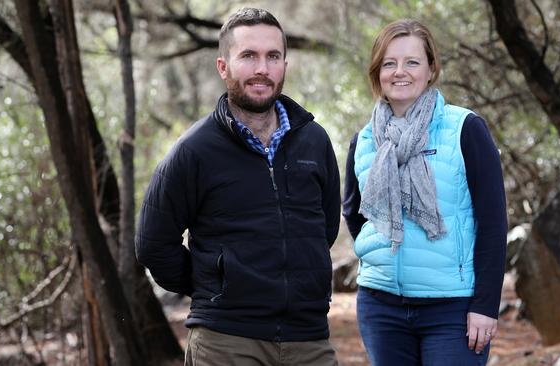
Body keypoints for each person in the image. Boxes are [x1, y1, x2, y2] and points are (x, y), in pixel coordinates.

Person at [135, 8, 340, 366]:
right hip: (225, 341)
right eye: (248, 56)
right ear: (223, 66)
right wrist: (216, 283)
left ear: (284, 66)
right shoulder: (194, 150)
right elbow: (153, 243)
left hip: (308, 340)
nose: (262, 68)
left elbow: (324, 229)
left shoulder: (314, 140)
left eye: (272, 56)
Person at [342, 19, 507, 365]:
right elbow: (356, 213)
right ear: (378, 73)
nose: (400, 72)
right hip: (381, 306)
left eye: (412, 62)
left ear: (431, 69)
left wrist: (485, 306)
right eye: (389, 63)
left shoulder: (465, 129)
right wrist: (383, 256)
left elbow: (493, 223)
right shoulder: (364, 141)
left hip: (453, 308)